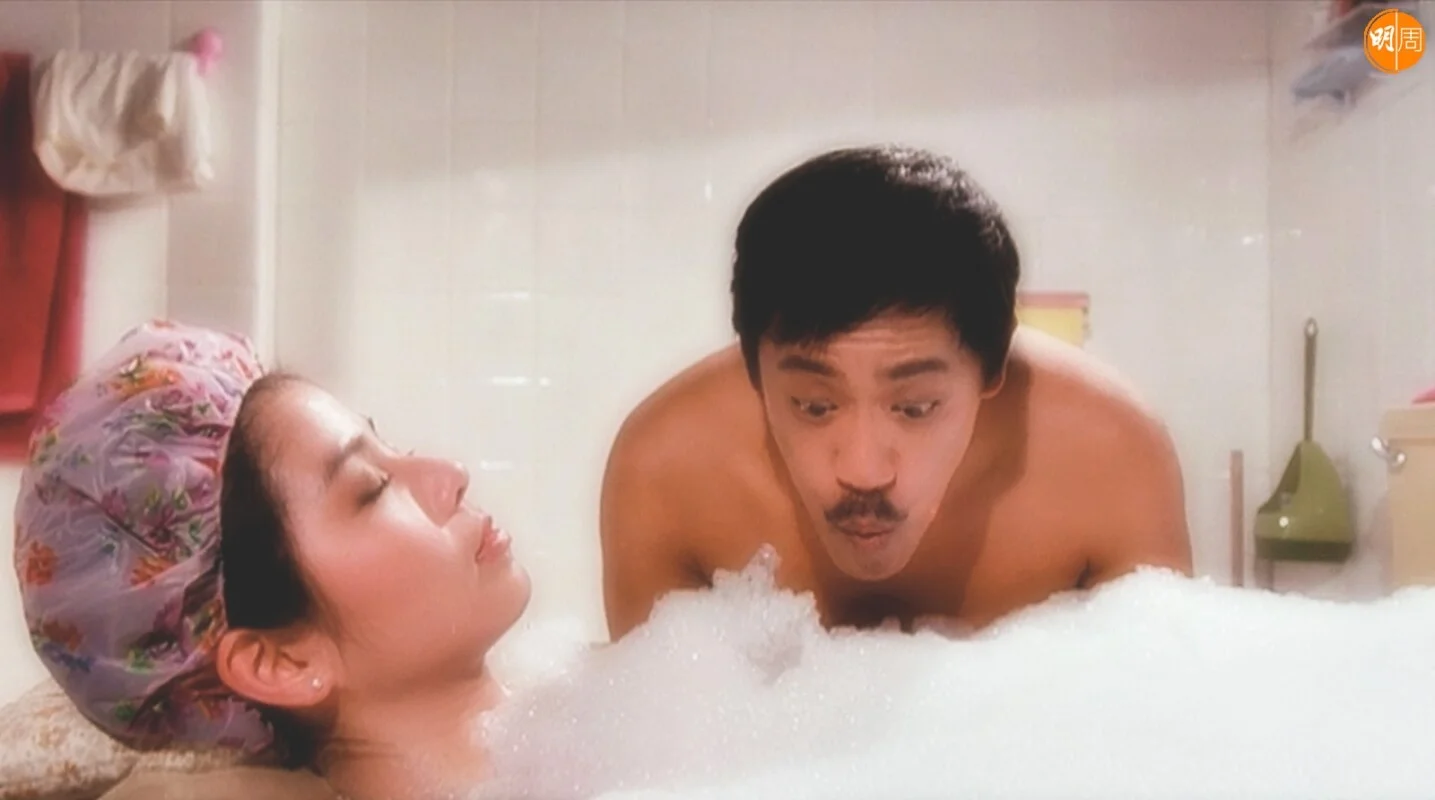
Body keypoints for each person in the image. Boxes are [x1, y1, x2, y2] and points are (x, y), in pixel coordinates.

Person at [601, 145, 1193, 639]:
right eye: (814, 406)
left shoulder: (1109, 455)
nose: (863, 470)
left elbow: (1152, 720)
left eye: (915, 408)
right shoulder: (666, 469)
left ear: (991, 372)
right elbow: (666, 738)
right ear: (754, 373)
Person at [14, 320, 530, 800]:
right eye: (372, 488)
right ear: (280, 663)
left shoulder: (563, 734)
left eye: (390, 446)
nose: (452, 473)